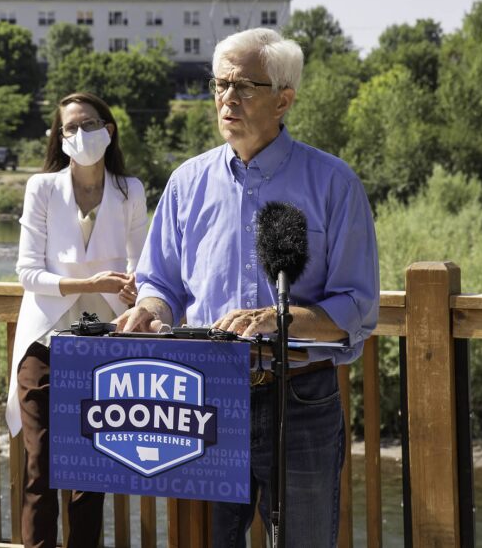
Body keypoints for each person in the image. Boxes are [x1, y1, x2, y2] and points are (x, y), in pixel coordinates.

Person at [116, 29, 380, 546]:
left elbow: (357, 303)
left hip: (300, 400)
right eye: (219, 84)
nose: (227, 98)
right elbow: (160, 281)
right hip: (202, 399)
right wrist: (150, 308)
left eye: (244, 86)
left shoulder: (333, 182)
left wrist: (281, 320)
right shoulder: (186, 182)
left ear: (284, 99)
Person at [7, 92, 148, 548]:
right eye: (70, 128)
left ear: (109, 130)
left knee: (90, 472)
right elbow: (27, 271)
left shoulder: (131, 190)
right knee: (40, 466)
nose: (79, 135)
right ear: (60, 137)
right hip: (44, 340)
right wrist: (87, 281)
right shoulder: (42, 188)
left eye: (88, 124)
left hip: (103, 345)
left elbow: (142, 268)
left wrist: (133, 289)